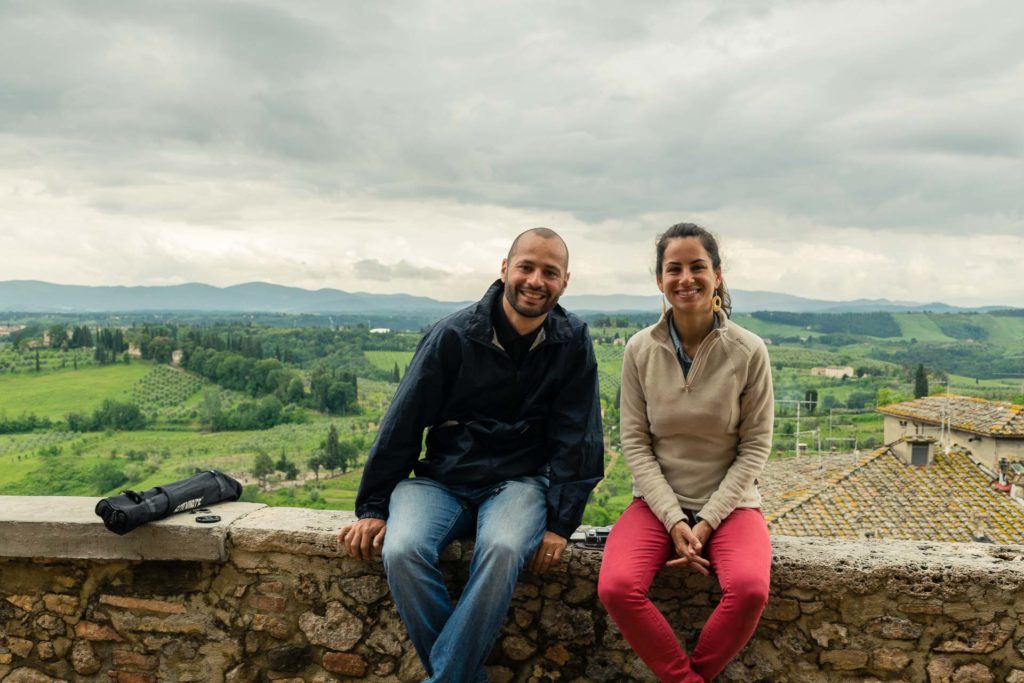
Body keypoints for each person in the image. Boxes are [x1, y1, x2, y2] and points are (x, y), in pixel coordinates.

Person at [337, 227, 604, 683]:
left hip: (519, 483)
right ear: (505, 269)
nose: (536, 280)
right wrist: (375, 507)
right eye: (526, 266)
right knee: (401, 550)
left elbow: (578, 436)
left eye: (549, 272)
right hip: (441, 479)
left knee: (502, 549)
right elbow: (404, 421)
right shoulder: (454, 335)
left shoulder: (571, 339)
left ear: (565, 281)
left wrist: (561, 523)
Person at [597, 223, 774, 682]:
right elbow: (634, 442)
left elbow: (755, 446)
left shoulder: (749, 351)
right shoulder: (640, 350)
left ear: (717, 274)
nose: (686, 278)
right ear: (659, 280)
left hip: (731, 505)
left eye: (697, 267)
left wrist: (708, 519)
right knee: (617, 587)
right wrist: (674, 518)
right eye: (674, 268)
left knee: (750, 590)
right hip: (656, 505)